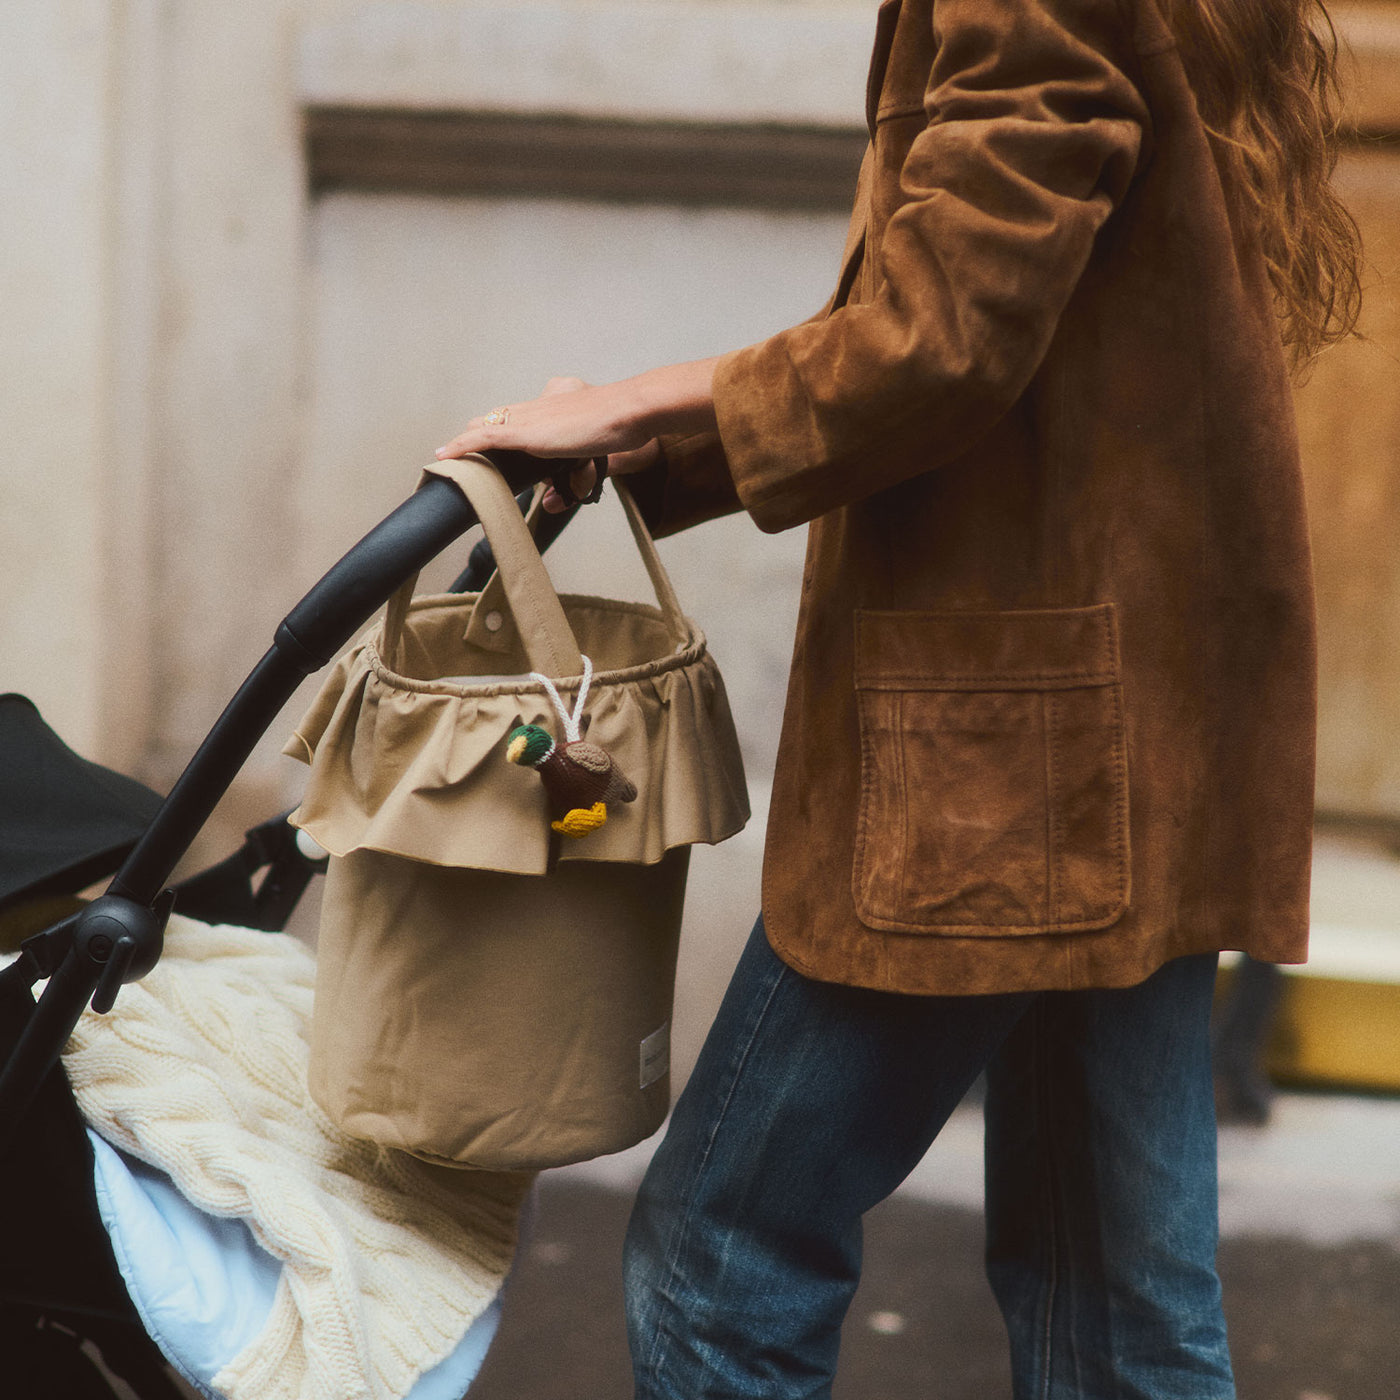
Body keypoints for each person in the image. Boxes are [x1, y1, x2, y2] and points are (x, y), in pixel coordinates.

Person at [435, 0, 1362, 1394]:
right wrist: (658, 452)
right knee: (1118, 1310)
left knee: (724, 1253)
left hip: (1007, 759)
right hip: (1123, 728)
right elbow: (1000, 322)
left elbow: (942, 331)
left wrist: (635, 410)